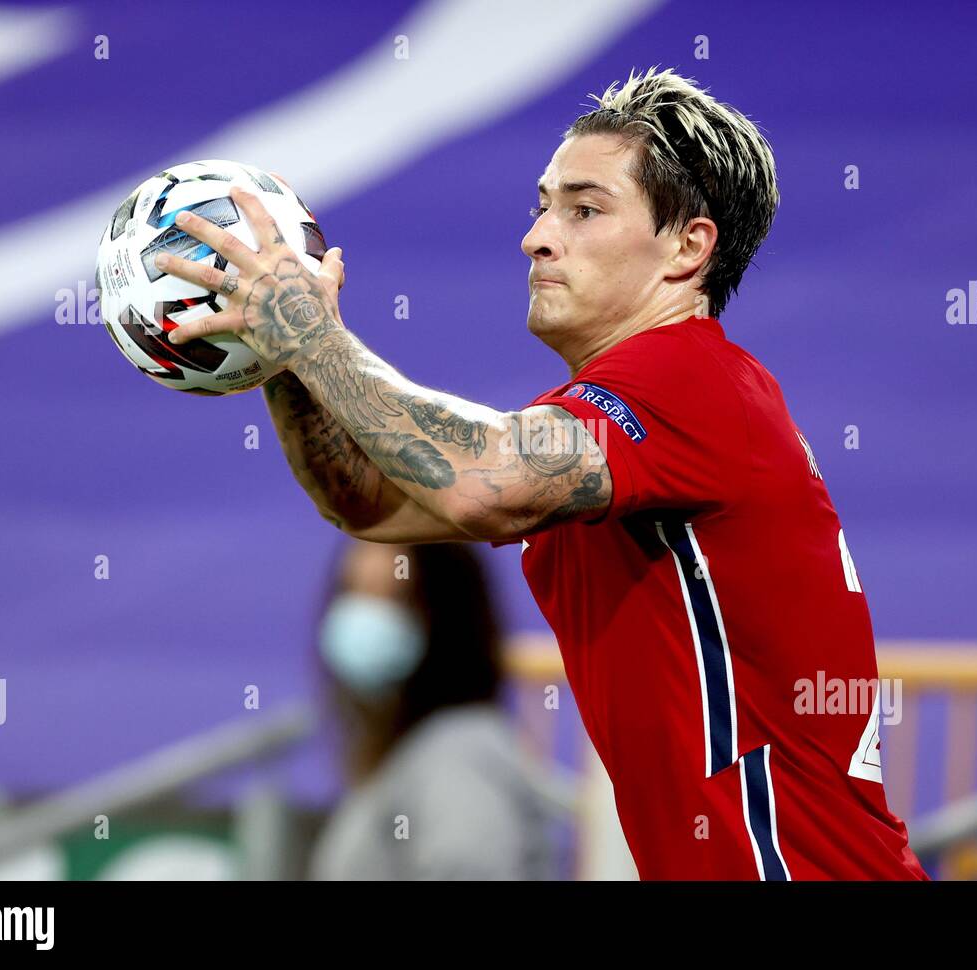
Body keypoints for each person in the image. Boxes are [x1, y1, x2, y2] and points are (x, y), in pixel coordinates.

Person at [156, 66, 928, 880]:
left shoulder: (692, 382)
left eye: (584, 210)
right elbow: (370, 504)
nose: (537, 237)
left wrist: (314, 338)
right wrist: (280, 357)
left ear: (687, 248)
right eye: (542, 205)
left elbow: (479, 483)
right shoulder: (631, 415)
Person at [309, 539, 559, 880]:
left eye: (392, 596)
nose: (365, 616)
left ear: (446, 616)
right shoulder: (414, 754)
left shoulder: (461, 753)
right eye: (353, 590)